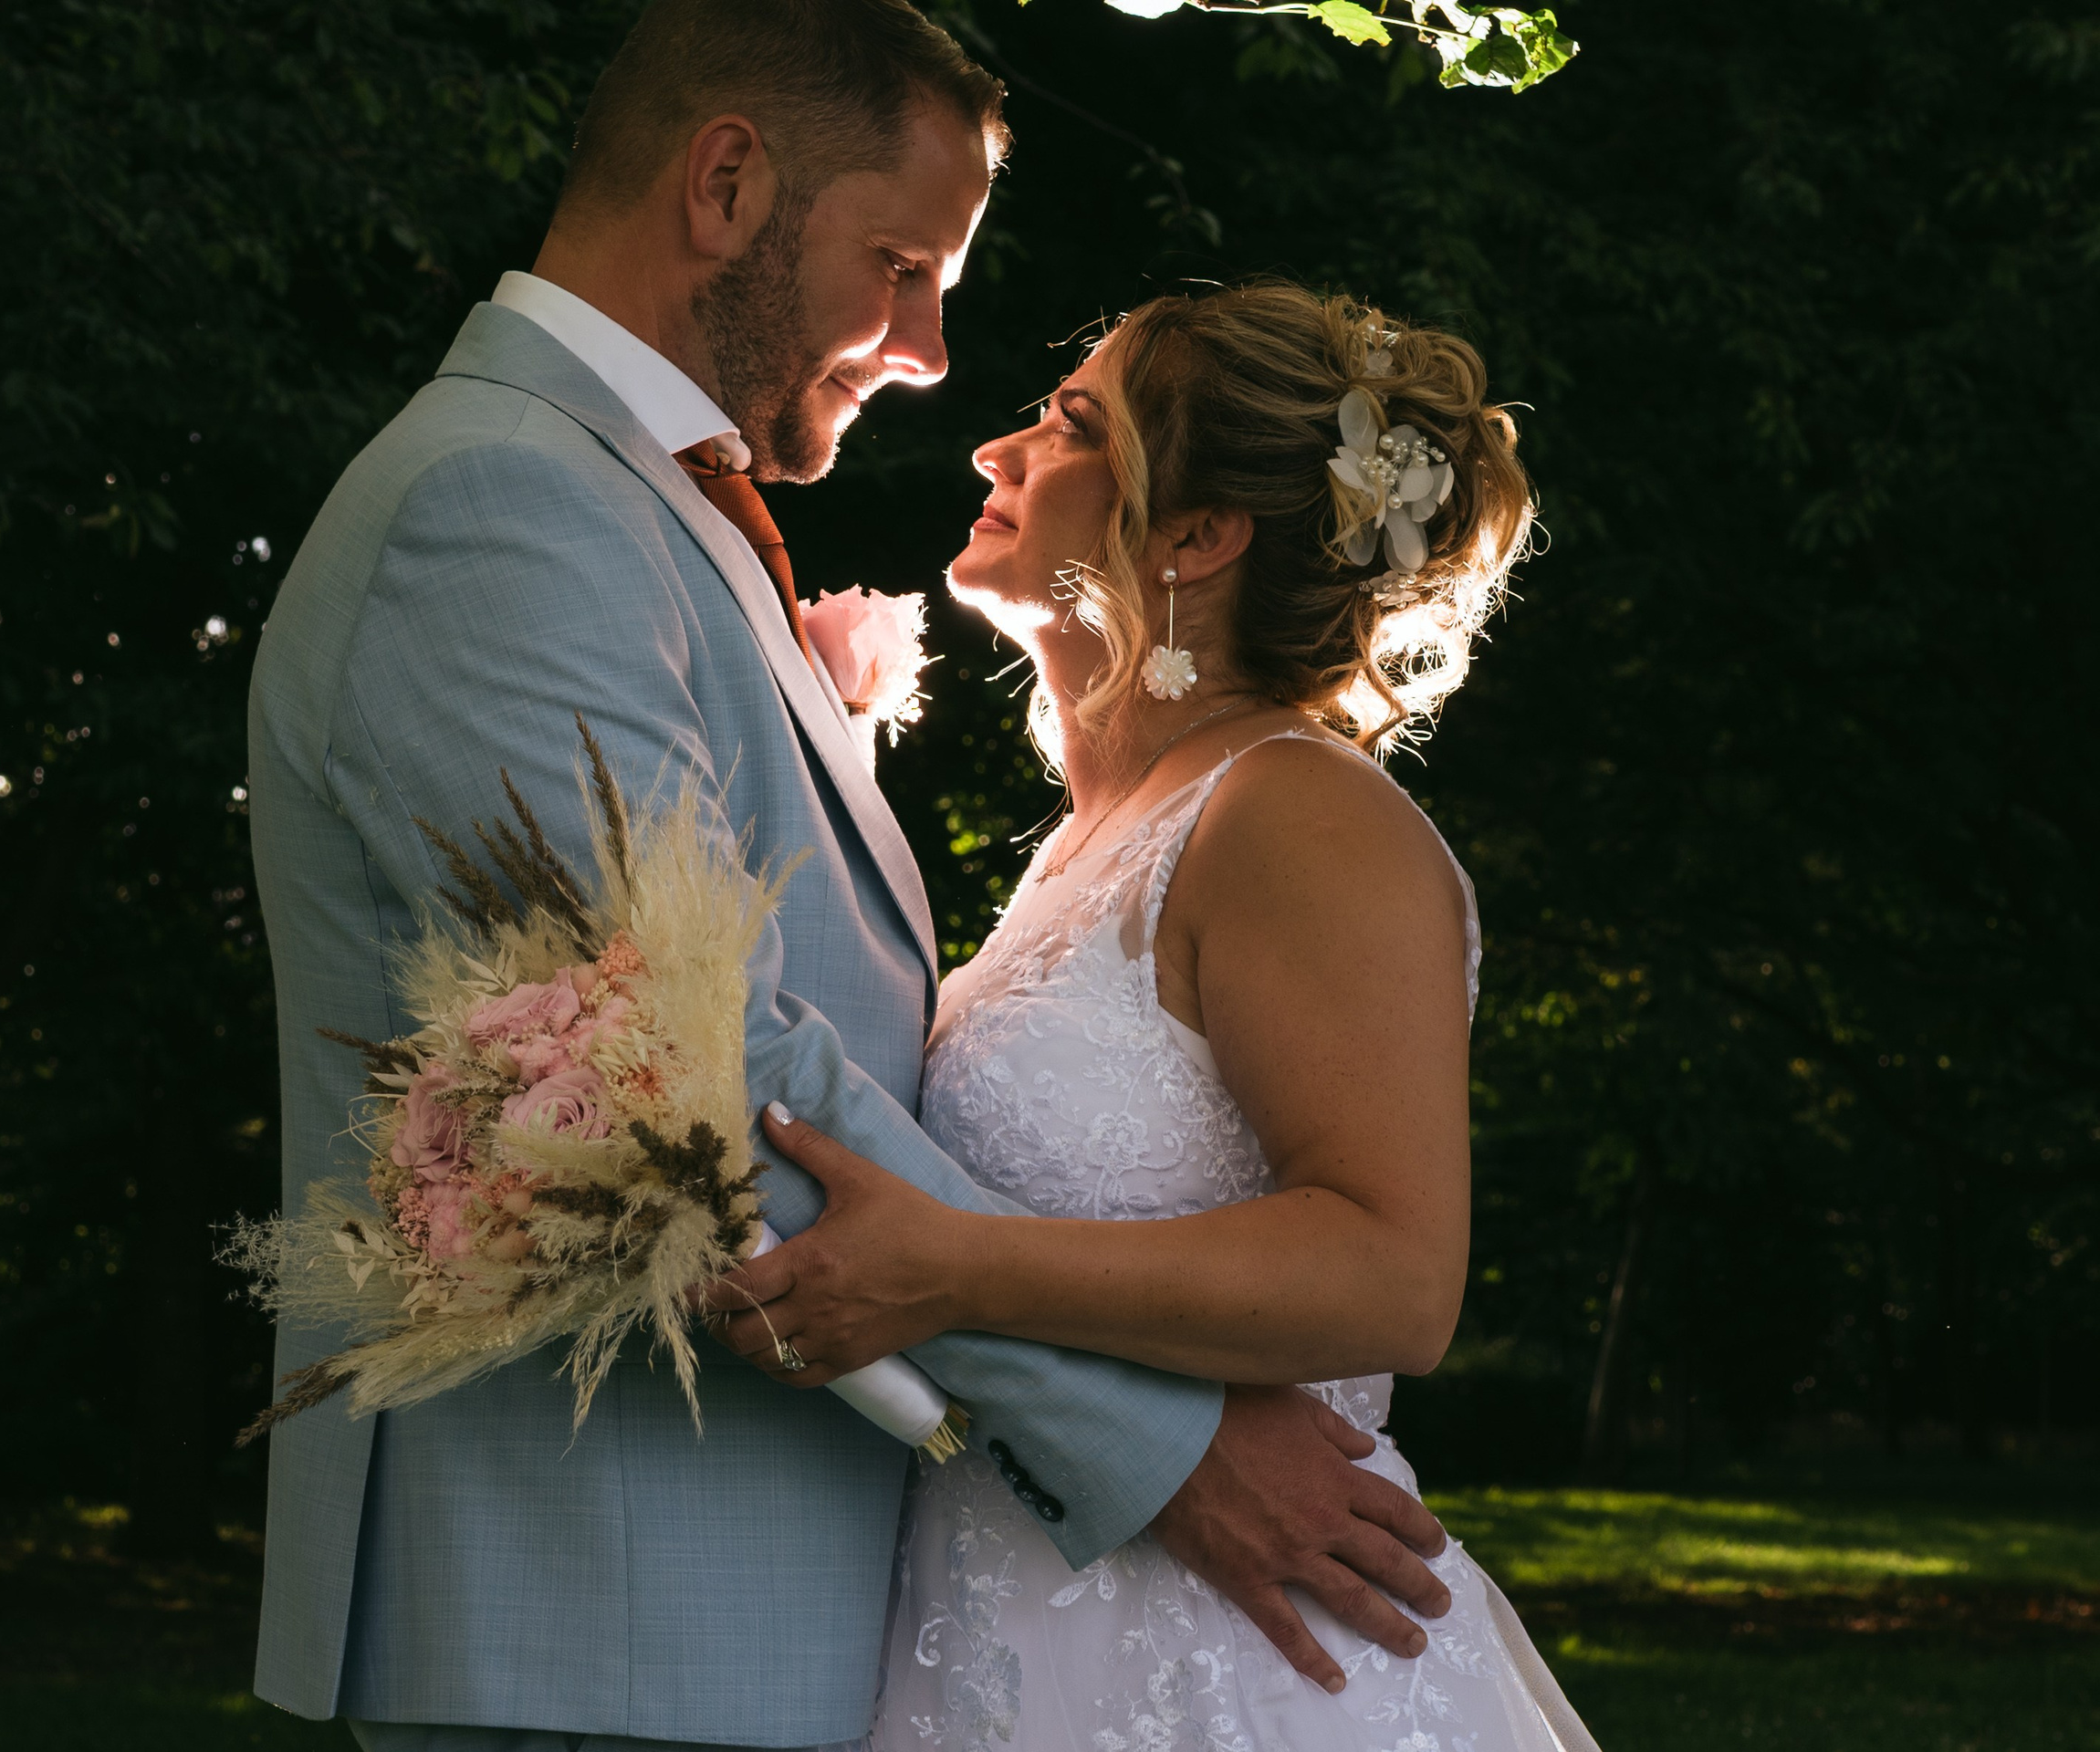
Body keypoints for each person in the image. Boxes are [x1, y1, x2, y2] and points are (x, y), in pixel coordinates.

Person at [246, 5, 1450, 1749]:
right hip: (601, 1624)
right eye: (901, 264)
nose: (933, 351)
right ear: (727, 184)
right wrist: (1161, 1439)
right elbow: (700, 1063)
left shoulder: (633, 508)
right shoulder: (497, 512)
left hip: (740, 1630)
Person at [710, 283, 1602, 1750]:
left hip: (1241, 1662)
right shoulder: (1092, 840)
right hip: (1012, 1616)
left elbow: (1394, 1269)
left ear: (1196, 536)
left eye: (1069, 425)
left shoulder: (1298, 814)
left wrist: (962, 1270)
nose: (997, 451)